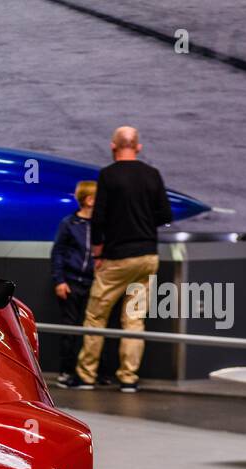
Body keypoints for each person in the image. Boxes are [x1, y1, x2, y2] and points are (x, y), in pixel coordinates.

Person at [74, 126, 174, 393]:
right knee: (134, 319)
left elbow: (100, 217)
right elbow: (165, 214)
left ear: (113, 146)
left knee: (96, 317)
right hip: (148, 256)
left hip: (116, 258)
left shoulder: (108, 176)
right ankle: (128, 379)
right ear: (138, 147)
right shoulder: (152, 175)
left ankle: (87, 376)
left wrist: (97, 251)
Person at [49, 180, 97, 388]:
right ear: (89, 200)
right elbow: (58, 252)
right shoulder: (69, 224)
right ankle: (66, 371)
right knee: (70, 329)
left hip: (93, 283)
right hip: (71, 283)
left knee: (93, 329)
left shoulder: (100, 225)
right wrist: (59, 280)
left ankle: (89, 372)